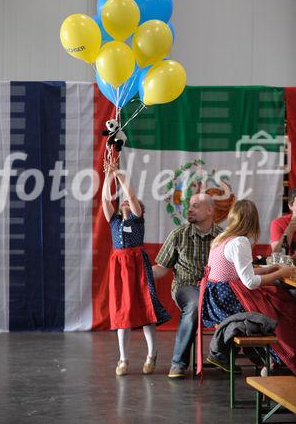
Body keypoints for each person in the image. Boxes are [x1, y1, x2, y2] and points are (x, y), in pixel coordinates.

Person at [198, 199, 296, 375]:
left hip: (214, 299)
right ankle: (279, 357)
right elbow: (249, 282)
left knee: (277, 295)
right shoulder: (239, 242)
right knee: (281, 303)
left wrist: (269, 269)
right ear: (252, 221)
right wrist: (280, 274)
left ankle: (272, 359)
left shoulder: (222, 238)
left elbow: (240, 271)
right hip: (227, 299)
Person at [102, 159, 170, 376]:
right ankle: (123, 359)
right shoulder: (113, 221)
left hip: (137, 266)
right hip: (119, 268)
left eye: (128, 203)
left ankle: (152, 354)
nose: (124, 202)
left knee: (146, 310)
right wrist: (108, 177)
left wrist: (121, 178)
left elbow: (131, 196)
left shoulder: (137, 219)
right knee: (122, 313)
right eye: (121, 201)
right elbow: (105, 199)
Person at [152, 193, 222, 379]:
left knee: (240, 303)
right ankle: (178, 363)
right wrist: (140, 274)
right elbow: (161, 268)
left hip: (214, 289)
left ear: (209, 210)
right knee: (195, 305)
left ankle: (220, 356)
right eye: (189, 205)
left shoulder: (222, 238)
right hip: (185, 287)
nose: (189, 209)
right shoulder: (178, 235)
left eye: (196, 206)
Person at [271, 187, 296, 256]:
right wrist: (289, 230)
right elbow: (276, 254)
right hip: (286, 265)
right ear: (290, 206)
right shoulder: (278, 223)